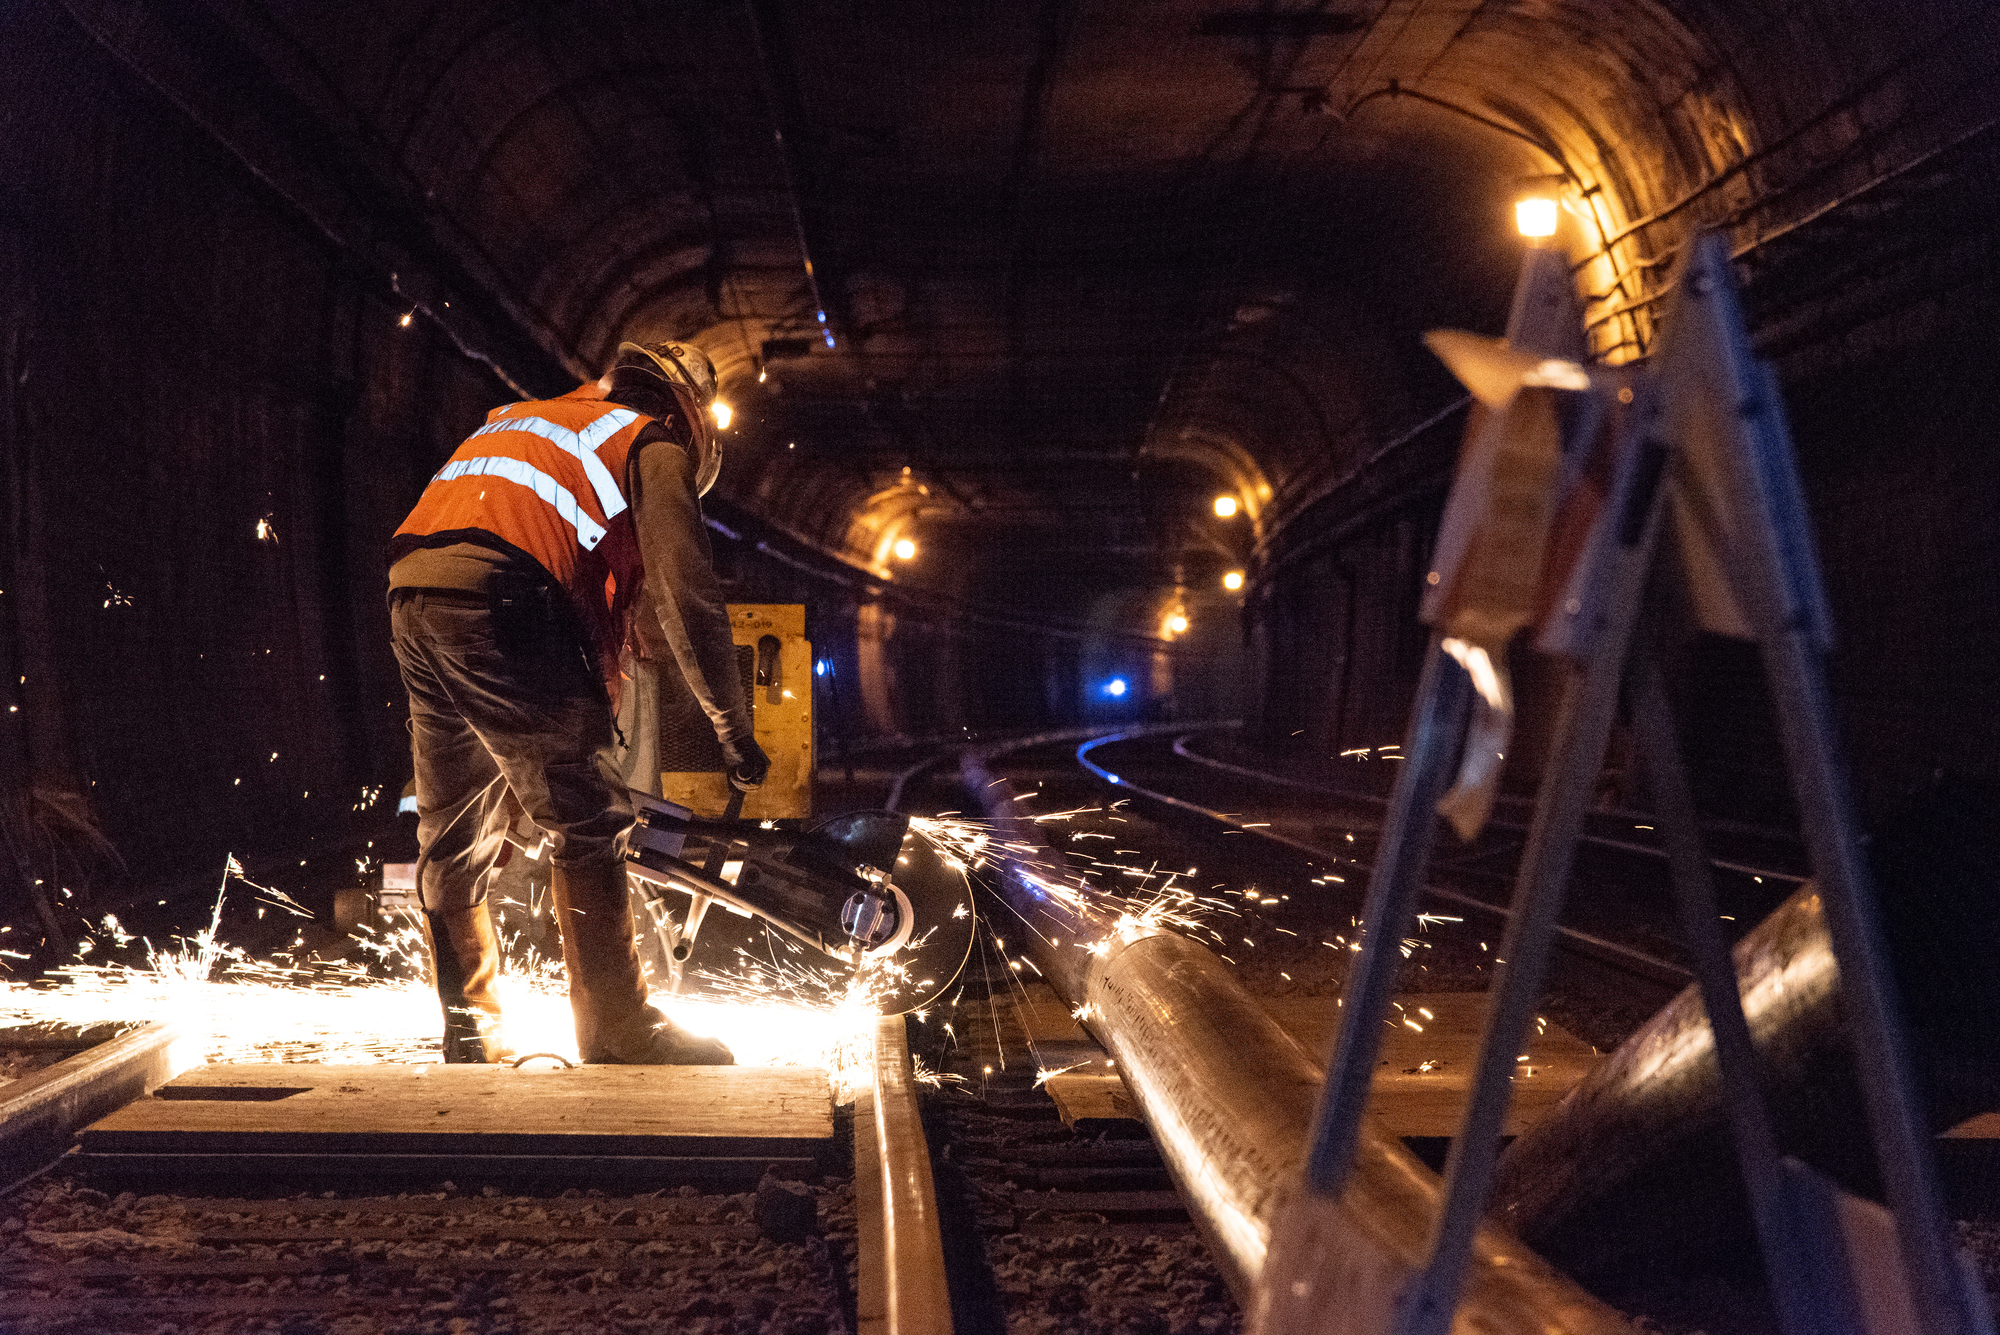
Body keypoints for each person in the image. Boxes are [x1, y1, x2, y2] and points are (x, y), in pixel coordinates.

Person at [386, 341, 769, 1064]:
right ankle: (619, 1027)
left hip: (413, 589)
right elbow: (689, 597)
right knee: (589, 816)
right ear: (684, 413)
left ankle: (470, 1031)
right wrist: (732, 728)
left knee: (452, 828)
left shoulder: (529, 418)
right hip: (507, 594)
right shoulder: (649, 442)